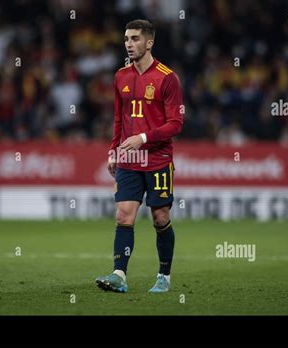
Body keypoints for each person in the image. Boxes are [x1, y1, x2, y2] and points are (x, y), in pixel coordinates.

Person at [95, 19, 184, 293]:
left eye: (134, 39)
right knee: (123, 215)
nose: (129, 44)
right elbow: (118, 119)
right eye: (126, 39)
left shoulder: (168, 78)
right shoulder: (120, 76)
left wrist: (143, 138)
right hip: (128, 161)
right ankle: (119, 274)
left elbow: (176, 124)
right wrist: (113, 150)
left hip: (157, 159)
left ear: (149, 42)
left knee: (160, 217)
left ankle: (164, 277)